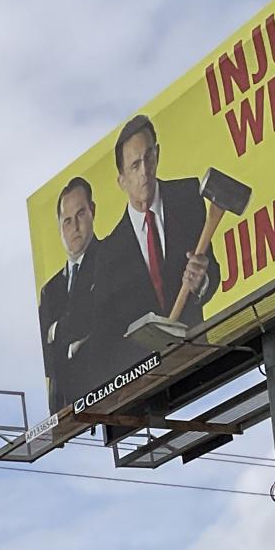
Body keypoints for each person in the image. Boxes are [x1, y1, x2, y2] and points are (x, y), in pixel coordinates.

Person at [92, 113, 218, 369]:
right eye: (135, 166)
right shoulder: (108, 253)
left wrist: (201, 282)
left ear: (157, 154)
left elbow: (212, 271)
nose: (145, 172)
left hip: (198, 354)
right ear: (122, 180)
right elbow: (110, 333)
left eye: (148, 158)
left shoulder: (187, 197)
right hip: (148, 376)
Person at [38, 177, 102, 411]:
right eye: (66, 221)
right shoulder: (50, 290)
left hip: (107, 382)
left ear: (92, 211)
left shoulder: (109, 257)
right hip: (64, 404)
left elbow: (98, 320)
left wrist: (54, 332)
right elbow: (43, 358)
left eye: (80, 215)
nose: (74, 227)